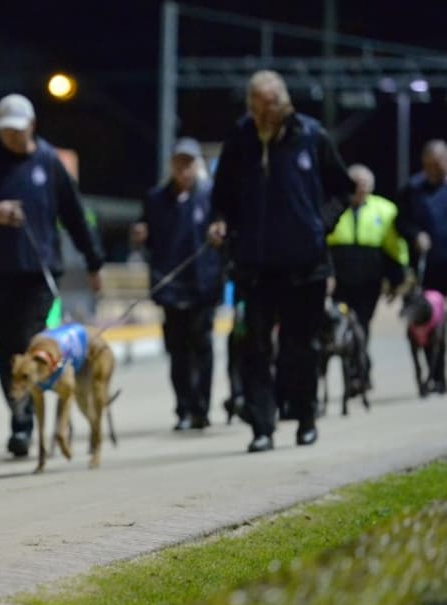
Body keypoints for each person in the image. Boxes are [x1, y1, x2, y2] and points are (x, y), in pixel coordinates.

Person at [0, 93, 105, 457]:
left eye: (17, 131)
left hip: (39, 274)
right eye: (5, 131)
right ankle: (21, 416)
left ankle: (25, 425)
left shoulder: (49, 163)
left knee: (27, 341)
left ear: (31, 126)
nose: (12, 137)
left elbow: (75, 216)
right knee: (7, 352)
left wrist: (94, 261)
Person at [208, 70, 353, 453]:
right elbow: (221, 195)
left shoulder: (311, 135)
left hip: (306, 265)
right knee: (254, 348)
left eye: (269, 105)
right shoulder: (240, 139)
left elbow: (343, 190)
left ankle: (305, 417)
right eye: (256, 106)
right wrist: (221, 222)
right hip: (254, 266)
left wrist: (318, 225)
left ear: (283, 102)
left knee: (299, 348)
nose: (263, 113)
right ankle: (262, 426)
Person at [131, 137, 223, 431]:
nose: (184, 169)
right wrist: (141, 236)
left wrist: (221, 234)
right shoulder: (155, 199)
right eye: (179, 163)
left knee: (202, 346)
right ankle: (183, 408)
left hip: (204, 284)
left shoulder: (212, 196)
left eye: (189, 163)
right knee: (177, 351)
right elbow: (148, 239)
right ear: (172, 165)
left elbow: (229, 233)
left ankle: (201, 408)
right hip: (170, 286)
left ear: (197, 166)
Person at [327, 163, 409, 386]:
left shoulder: (385, 210)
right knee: (339, 325)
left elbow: (394, 247)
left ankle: (359, 372)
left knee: (361, 325)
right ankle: (351, 369)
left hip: (368, 281)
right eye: (355, 184)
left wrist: (398, 278)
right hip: (339, 280)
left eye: (364, 185)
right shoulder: (333, 207)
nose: (360, 189)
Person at [395, 139, 447, 392]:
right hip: (428, 267)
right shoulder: (412, 189)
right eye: (428, 165)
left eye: (438, 164)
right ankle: (435, 374)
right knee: (428, 322)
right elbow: (400, 222)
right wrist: (415, 235)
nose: (433, 169)